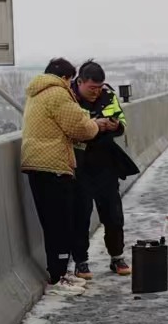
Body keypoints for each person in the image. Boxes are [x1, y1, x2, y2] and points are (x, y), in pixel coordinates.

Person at [21, 57, 116, 288]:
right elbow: (80, 128)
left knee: (50, 222)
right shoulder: (58, 94)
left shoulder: (36, 93)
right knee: (61, 224)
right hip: (54, 165)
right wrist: (98, 125)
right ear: (65, 77)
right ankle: (59, 275)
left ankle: (57, 272)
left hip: (35, 162)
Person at [68, 60, 140, 277]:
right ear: (79, 82)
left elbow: (122, 121)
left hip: (105, 162)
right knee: (81, 213)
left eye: (99, 87)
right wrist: (93, 125)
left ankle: (117, 257)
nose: (96, 92)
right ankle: (81, 261)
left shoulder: (108, 96)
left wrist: (115, 125)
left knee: (113, 213)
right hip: (78, 163)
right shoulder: (67, 98)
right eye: (92, 88)